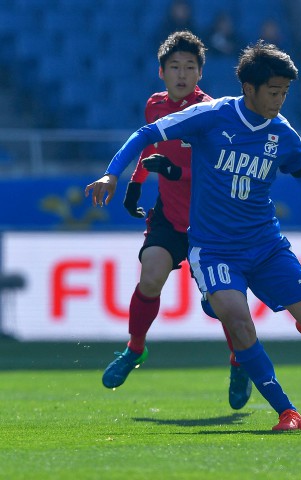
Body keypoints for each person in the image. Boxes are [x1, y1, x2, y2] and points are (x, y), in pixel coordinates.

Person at [85, 40, 301, 431]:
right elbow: (147, 133)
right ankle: (286, 411)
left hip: (266, 247)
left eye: (285, 92)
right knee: (237, 321)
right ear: (250, 88)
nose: (279, 100)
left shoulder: (283, 133)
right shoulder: (212, 116)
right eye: (273, 92)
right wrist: (113, 172)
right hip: (213, 249)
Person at [99, 30, 253, 411]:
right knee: (150, 276)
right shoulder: (155, 106)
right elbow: (148, 145)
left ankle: (240, 362)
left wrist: (171, 171)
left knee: (223, 305)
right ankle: (135, 349)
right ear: (161, 72)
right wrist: (135, 186)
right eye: (174, 67)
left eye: (189, 67)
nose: (182, 74)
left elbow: (216, 172)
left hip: (209, 221)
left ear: (200, 73)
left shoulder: (211, 113)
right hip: (169, 216)